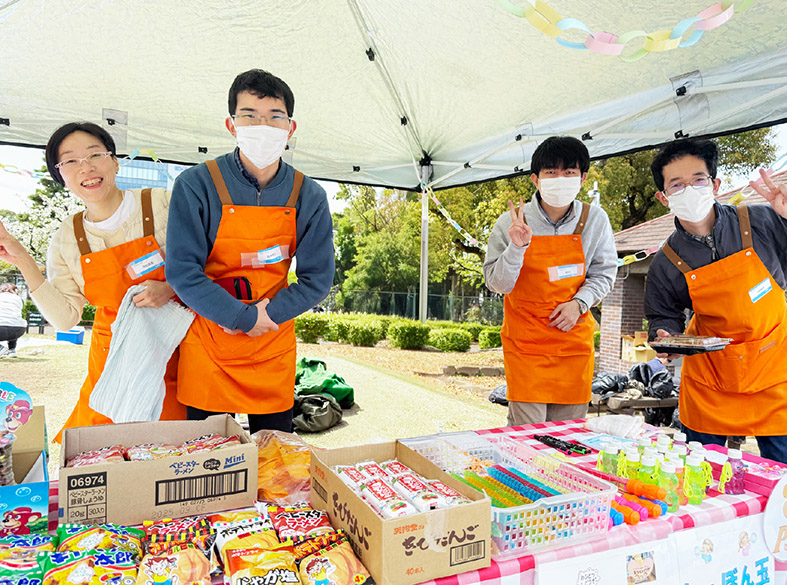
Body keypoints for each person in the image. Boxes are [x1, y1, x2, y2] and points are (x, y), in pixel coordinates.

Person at [166, 69, 335, 434]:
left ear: (290, 128)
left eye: (275, 116)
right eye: (250, 116)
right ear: (231, 125)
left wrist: (266, 315)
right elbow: (183, 271)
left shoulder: (310, 195)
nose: (264, 126)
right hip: (209, 338)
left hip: (272, 337)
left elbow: (317, 278)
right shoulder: (196, 185)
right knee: (203, 460)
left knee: (276, 460)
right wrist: (240, 317)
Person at [0, 122, 186, 441]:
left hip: (179, 352)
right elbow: (65, 317)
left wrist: (172, 287)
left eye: (94, 154)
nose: (85, 167)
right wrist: (22, 260)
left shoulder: (162, 203)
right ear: (61, 175)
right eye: (70, 160)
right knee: (108, 458)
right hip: (112, 364)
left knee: (171, 451)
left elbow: (209, 264)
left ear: (114, 161)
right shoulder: (66, 238)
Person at [645, 138, 787, 464]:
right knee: (703, 472)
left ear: (715, 183)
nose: (689, 189)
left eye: (698, 179)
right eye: (676, 184)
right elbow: (663, 315)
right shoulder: (666, 260)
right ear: (663, 197)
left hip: (776, 371)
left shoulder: (763, 222)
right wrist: (665, 335)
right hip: (710, 379)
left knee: (781, 478)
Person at [484, 136, 617, 426]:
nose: (561, 179)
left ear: (582, 178)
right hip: (526, 346)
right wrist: (516, 247)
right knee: (525, 438)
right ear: (536, 179)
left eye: (569, 173)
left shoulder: (595, 219)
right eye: (551, 173)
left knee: (568, 438)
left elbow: (605, 273)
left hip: (573, 345)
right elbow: (498, 284)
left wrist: (579, 304)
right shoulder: (510, 222)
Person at [0, 283, 26, 358]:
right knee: (13, 320)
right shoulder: (18, 298)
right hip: (19, 330)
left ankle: (1, 349)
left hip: (1, 329)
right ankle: (12, 350)